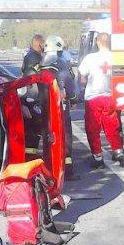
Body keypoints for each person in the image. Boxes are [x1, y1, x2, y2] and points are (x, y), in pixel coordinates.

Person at [78, 32, 124, 167]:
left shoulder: (90, 58)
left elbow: (82, 79)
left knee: (93, 128)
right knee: (112, 126)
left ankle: (98, 157)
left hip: (93, 97)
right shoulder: (116, 57)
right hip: (110, 96)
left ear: (98, 42)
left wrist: (84, 83)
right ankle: (118, 152)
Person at [43, 35, 79, 179]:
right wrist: (74, 98)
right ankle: (67, 169)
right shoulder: (61, 63)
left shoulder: (40, 63)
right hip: (60, 107)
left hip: (44, 107)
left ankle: (48, 168)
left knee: (47, 137)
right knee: (65, 136)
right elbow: (69, 84)